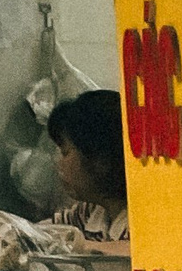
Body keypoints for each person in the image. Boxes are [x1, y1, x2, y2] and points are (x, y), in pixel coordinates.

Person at [44, 90, 129, 242]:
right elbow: (42, 231)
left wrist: (83, 246)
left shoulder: (139, 224)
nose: (59, 163)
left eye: (65, 152)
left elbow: (129, 250)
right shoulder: (92, 211)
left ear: (101, 160)